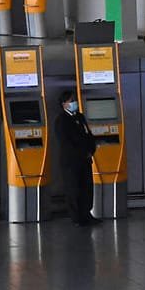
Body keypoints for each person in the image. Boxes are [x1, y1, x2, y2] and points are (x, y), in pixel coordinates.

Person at [52, 90, 100, 226]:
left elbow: (88, 134)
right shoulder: (61, 121)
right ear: (64, 104)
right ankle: (76, 217)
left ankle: (86, 214)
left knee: (87, 188)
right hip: (71, 162)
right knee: (73, 189)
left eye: (74, 100)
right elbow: (65, 142)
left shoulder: (80, 117)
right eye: (71, 101)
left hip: (85, 159)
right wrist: (80, 153)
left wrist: (91, 150)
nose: (74, 103)